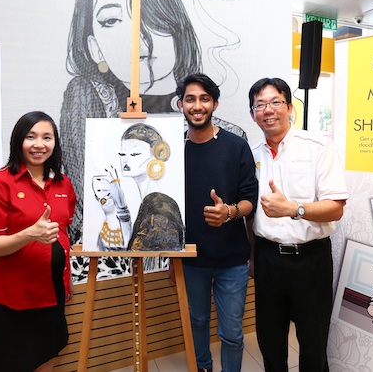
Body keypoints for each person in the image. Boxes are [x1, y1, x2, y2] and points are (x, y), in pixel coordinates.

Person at [59, 0, 245, 250]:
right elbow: (87, 204)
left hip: (200, 255)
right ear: (94, 46)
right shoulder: (87, 101)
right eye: (111, 20)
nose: (139, 35)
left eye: (151, 13)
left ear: (175, 26)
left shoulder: (229, 136)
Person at [246, 77, 348, 372]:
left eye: (275, 102)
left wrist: (294, 209)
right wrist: (252, 256)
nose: (268, 110)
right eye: (260, 105)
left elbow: (336, 208)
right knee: (270, 340)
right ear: (252, 114)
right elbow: (250, 214)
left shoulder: (318, 147)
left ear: (290, 108)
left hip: (310, 261)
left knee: (313, 342)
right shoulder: (251, 154)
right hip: (267, 259)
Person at [0, 111, 76, 372]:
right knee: (11, 363)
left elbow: (63, 235)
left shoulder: (63, 184)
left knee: (46, 356)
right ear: (19, 140)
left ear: (55, 142)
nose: (39, 144)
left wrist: (67, 279)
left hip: (52, 292)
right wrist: (30, 234)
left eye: (47, 137)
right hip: (12, 297)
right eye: (31, 137)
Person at [174, 73, 258, 372]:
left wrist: (229, 212)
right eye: (190, 99)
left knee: (232, 333)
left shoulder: (236, 146)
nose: (197, 106)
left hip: (232, 259)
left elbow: (250, 200)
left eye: (204, 99)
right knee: (196, 321)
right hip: (190, 258)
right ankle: (203, 367)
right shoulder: (172, 151)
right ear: (181, 104)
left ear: (215, 104)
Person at [91, 122, 184, 252]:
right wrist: (118, 208)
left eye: (135, 154)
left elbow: (142, 255)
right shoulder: (145, 201)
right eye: (122, 154)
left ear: (156, 156)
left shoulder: (159, 206)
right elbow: (129, 247)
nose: (125, 160)